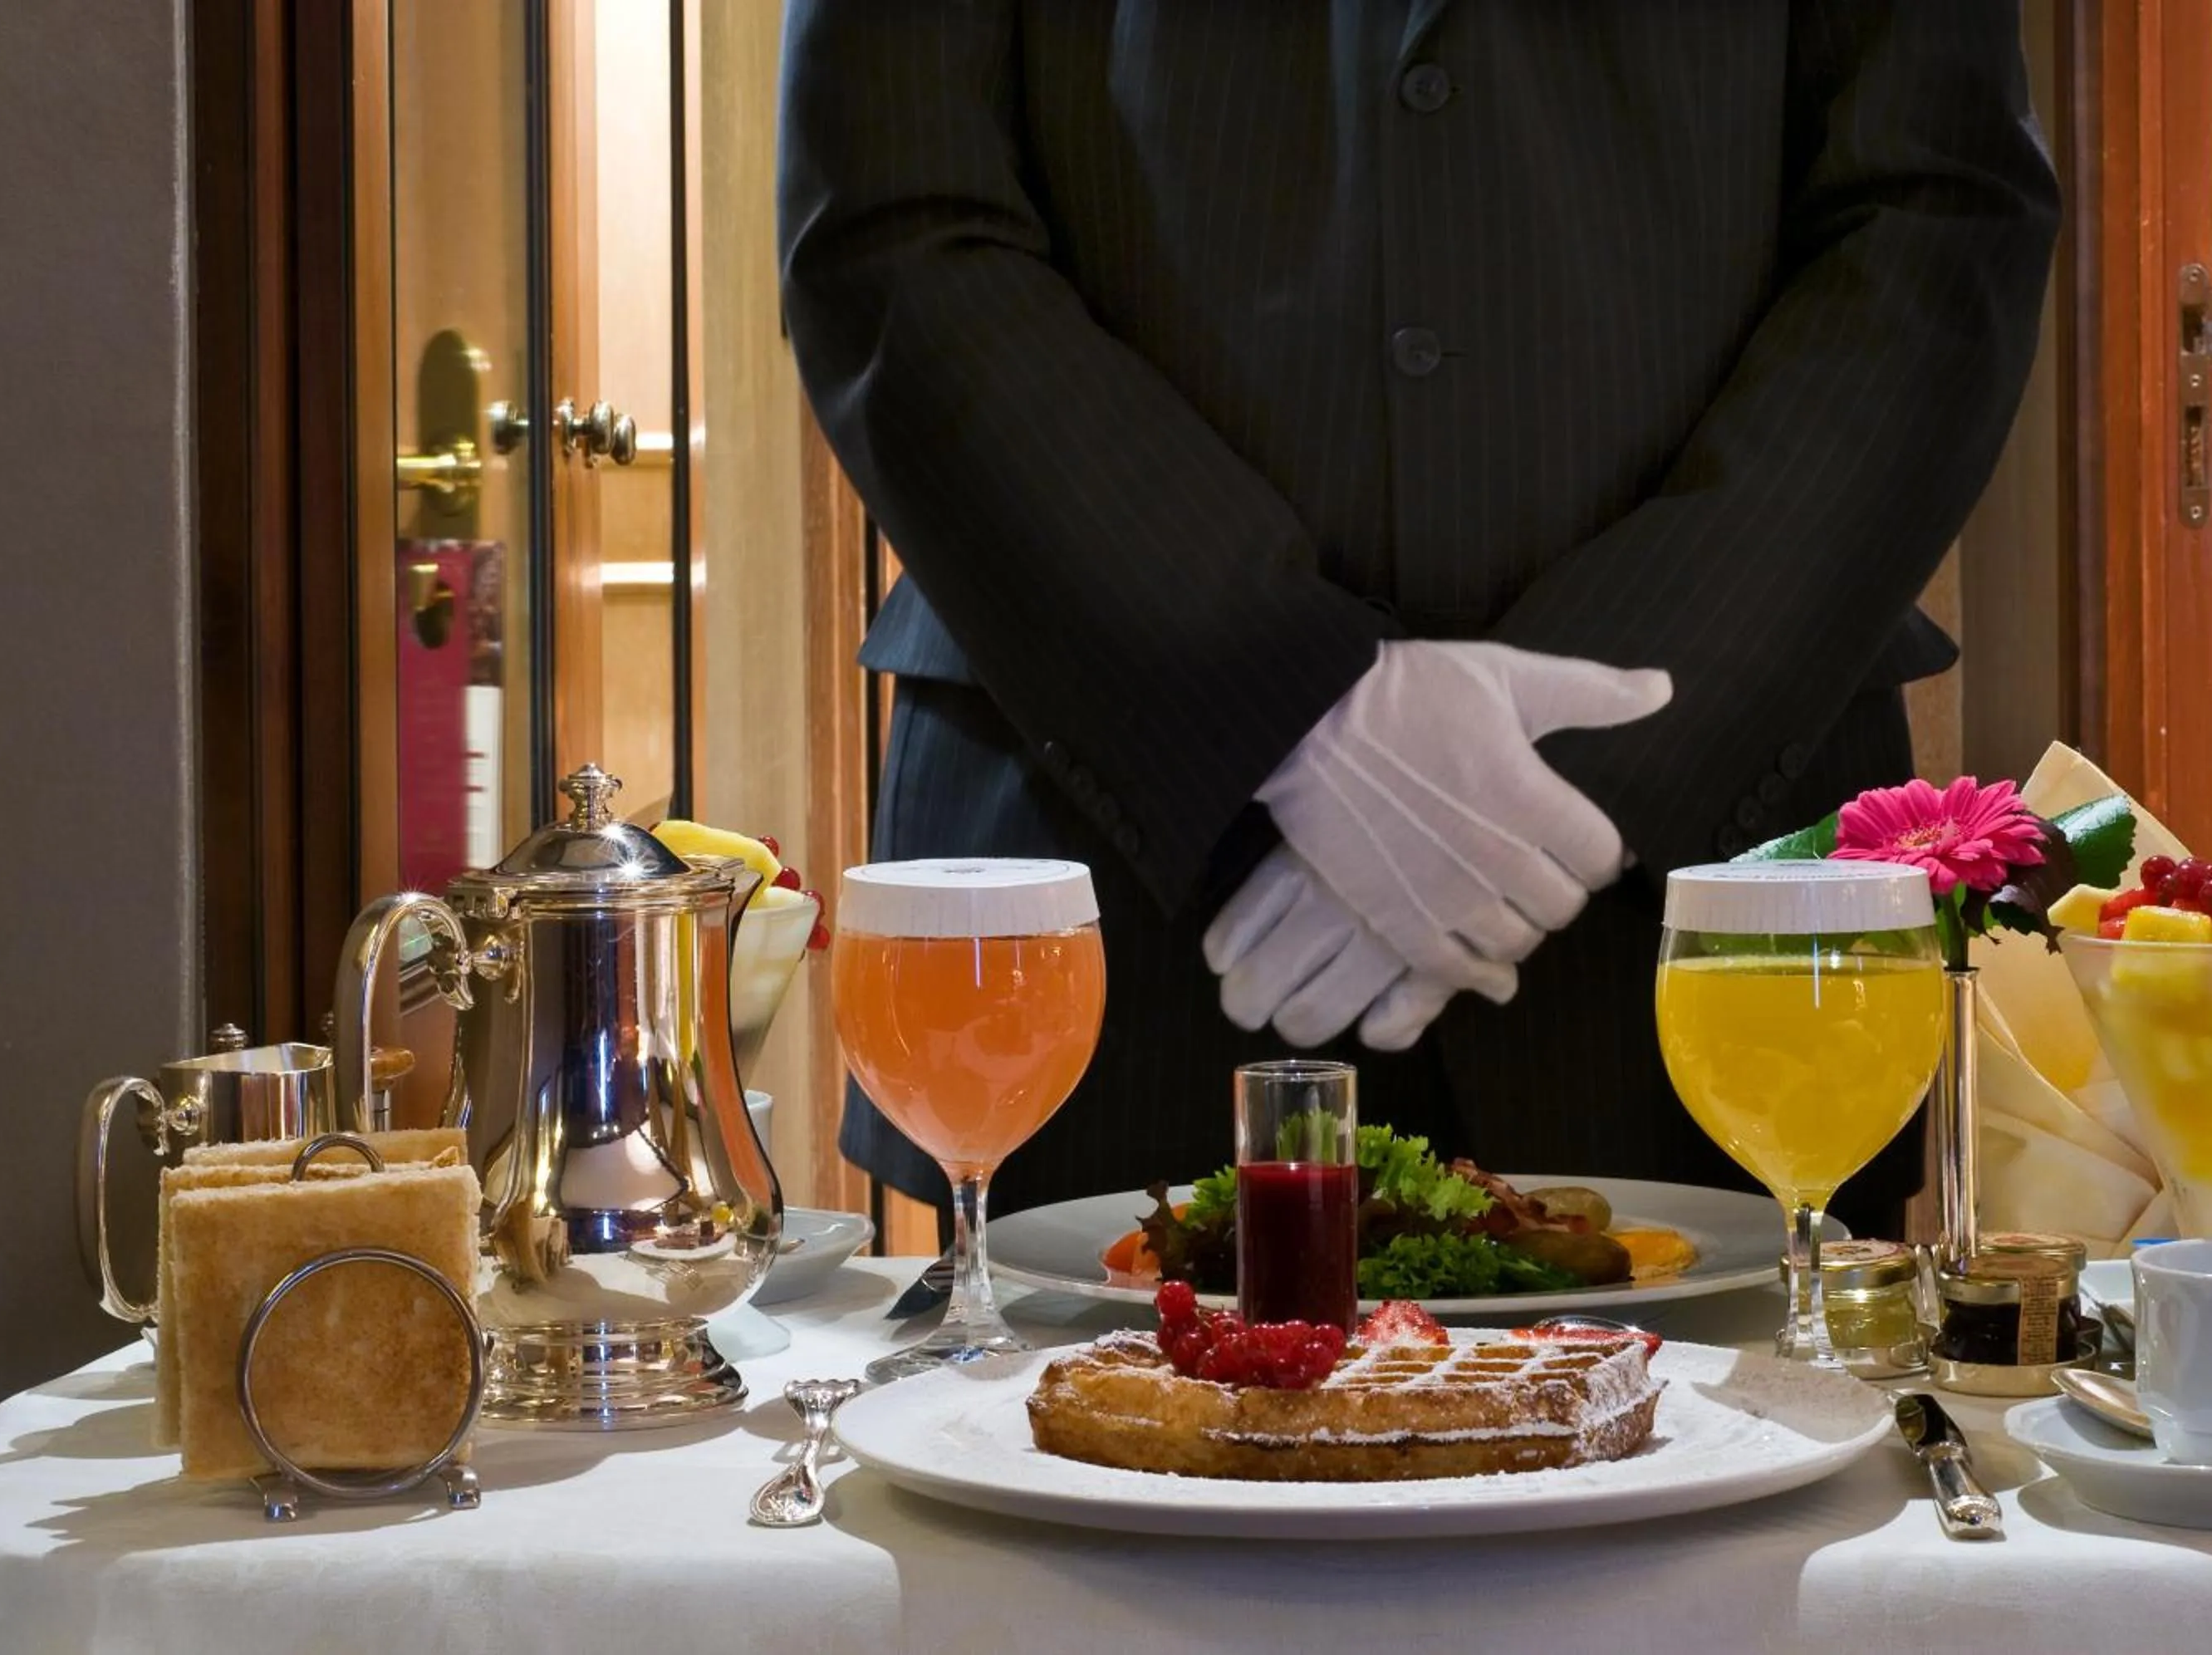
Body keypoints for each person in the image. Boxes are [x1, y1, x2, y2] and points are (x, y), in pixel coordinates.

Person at [777, 2, 2058, 1238]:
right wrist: (1276, 698)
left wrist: (1595, 735)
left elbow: (1935, 210)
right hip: (1112, 883)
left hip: (1706, 894)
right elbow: (894, 213)